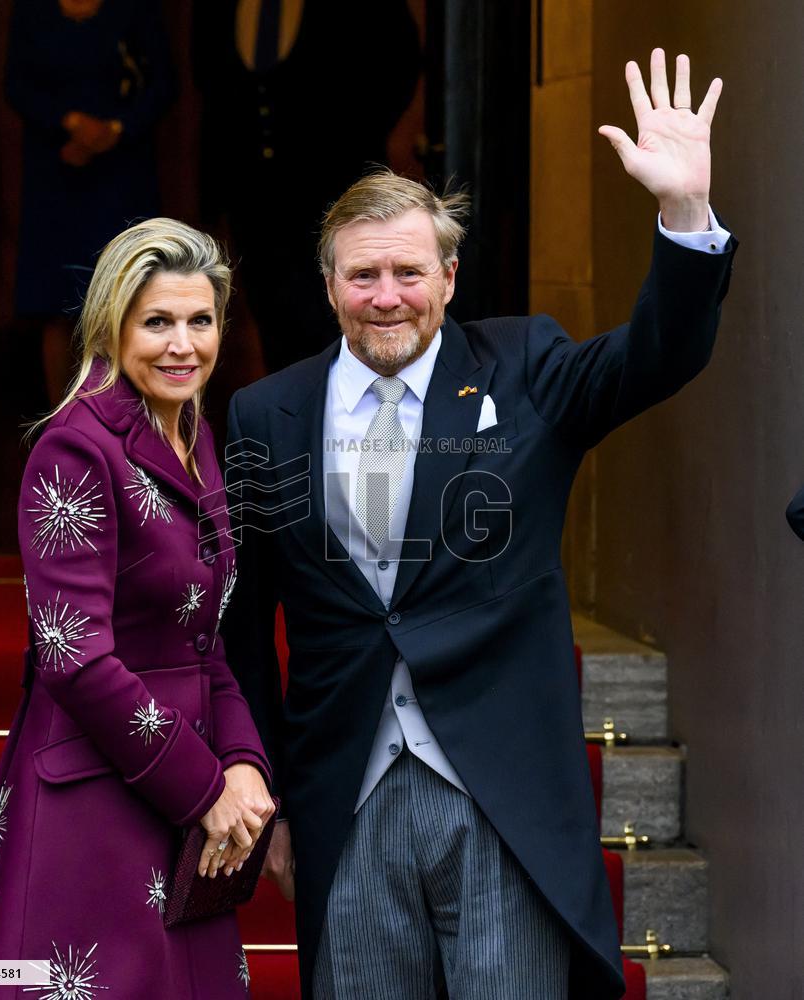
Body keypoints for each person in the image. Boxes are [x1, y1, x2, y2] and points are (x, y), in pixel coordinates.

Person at [221, 50, 737, 999]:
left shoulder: (525, 368)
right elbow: (245, 630)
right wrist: (270, 792)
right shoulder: (265, 414)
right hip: (346, 797)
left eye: (408, 272)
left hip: (502, 799)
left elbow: (657, 355)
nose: (386, 295)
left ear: (450, 277)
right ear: (329, 284)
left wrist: (684, 213)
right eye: (363, 274)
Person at [0, 218, 275, 999]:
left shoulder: (196, 436)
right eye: (157, 322)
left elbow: (206, 642)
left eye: (200, 321)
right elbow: (75, 660)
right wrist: (208, 789)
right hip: (93, 808)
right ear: (112, 326)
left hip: (184, 810)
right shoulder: (74, 448)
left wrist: (244, 761)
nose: (182, 346)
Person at [192, 0, 421, 373]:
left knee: (341, 328)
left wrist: (351, 142)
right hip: (251, 200)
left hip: (337, 197)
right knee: (275, 330)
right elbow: (210, 84)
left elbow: (400, 64)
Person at [5, 0, 174, 403]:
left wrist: (114, 130)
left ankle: (125, 421)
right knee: (57, 304)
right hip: (55, 172)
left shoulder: (135, 9)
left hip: (122, 175)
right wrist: (70, 124)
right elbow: (16, 84)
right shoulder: (30, 11)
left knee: (126, 300)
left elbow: (164, 82)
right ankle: (63, 425)